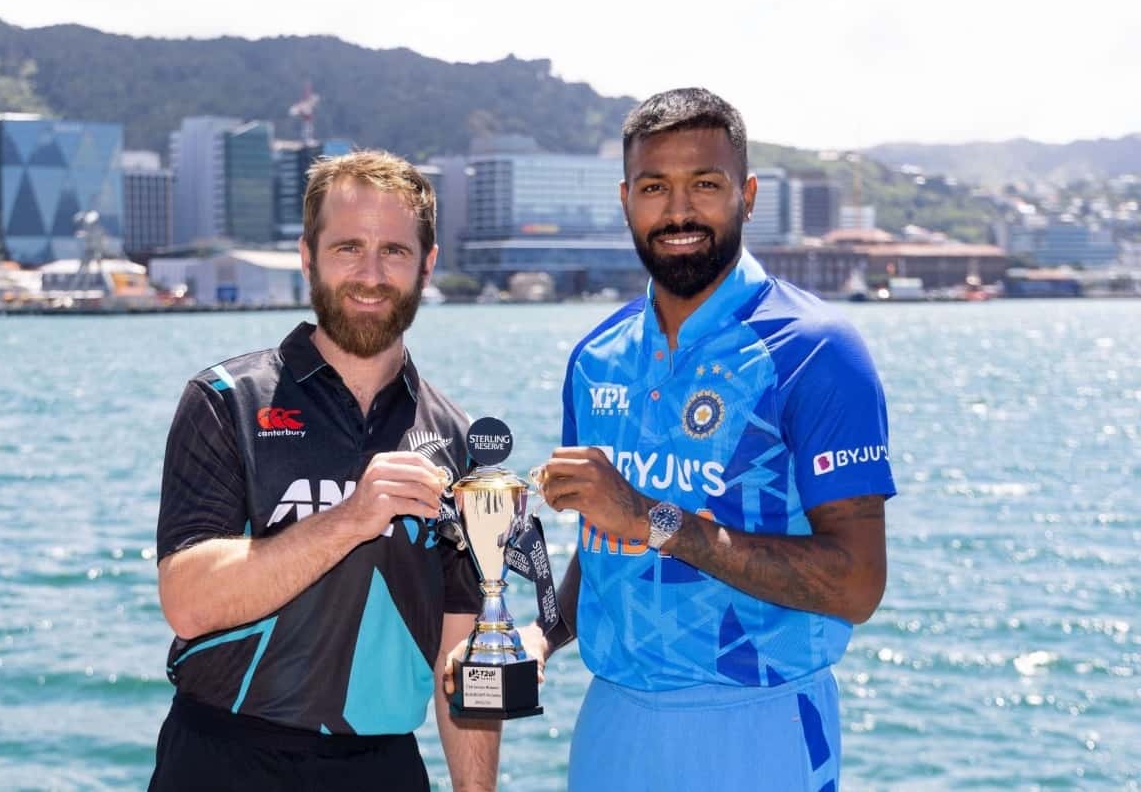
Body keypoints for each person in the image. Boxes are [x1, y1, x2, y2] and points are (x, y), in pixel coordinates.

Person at [458, 88, 895, 790]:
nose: (680, 210)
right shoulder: (596, 356)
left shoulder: (816, 350)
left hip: (760, 727)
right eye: (656, 187)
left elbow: (857, 583)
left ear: (747, 196)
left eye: (706, 185)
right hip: (613, 730)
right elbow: (602, 551)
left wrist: (651, 520)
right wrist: (540, 634)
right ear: (626, 199)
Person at [151, 150, 499, 792]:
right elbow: (188, 604)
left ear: (427, 264)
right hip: (223, 759)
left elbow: (463, 653)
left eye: (393, 251)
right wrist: (350, 520)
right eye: (347, 249)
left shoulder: (456, 440)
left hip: (383, 766)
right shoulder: (226, 400)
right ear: (308, 258)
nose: (370, 274)